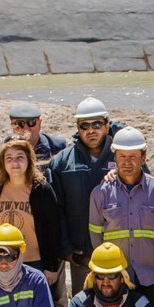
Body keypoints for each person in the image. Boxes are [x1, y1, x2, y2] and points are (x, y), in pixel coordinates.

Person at [88, 126, 154, 307]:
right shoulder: (100, 193)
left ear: (143, 157)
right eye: (122, 156)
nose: (127, 162)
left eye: (133, 156)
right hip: (117, 279)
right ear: (114, 157)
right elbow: (96, 236)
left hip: (151, 277)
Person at [48, 97, 121, 290]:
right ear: (78, 128)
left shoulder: (123, 156)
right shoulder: (62, 163)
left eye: (97, 124)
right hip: (82, 256)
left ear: (107, 125)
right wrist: (68, 250)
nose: (91, 130)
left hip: (120, 252)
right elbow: (56, 210)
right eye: (84, 125)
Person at [0, 137, 65, 306]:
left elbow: (53, 229)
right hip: (5, 262)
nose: (14, 163)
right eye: (9, 158)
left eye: (19, 157)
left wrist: (51, 266)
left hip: (35, 262)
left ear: (29, 160)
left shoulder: (41, 189)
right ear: (2, 163)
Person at [0, 103, 67, 167]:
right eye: (19, 124)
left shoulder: (57, 146)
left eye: (31, 122)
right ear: (12, 125)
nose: (26, 128)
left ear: (39, 123)